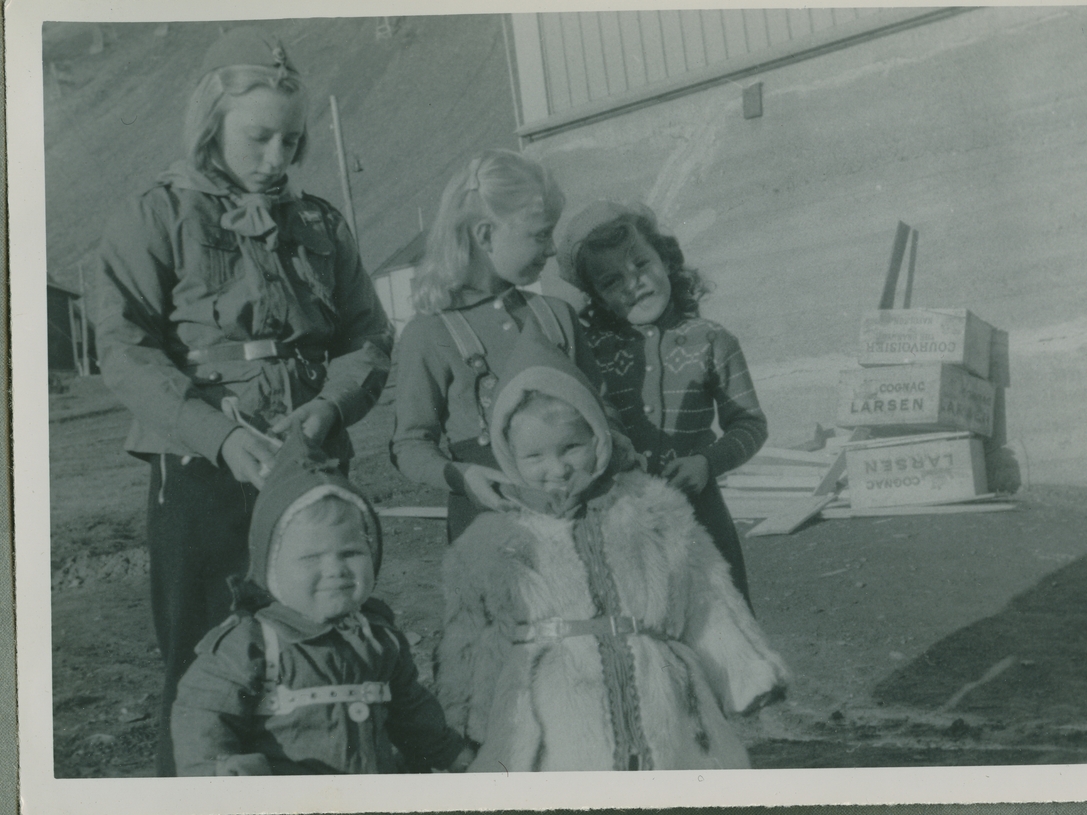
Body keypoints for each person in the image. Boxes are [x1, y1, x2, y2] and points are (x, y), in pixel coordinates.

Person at [88, 28, 393, 775]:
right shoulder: (154, 215)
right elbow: (123, 351)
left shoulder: (320, 222)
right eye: (259, 138)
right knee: (206, 663)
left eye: (291, 142)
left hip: (313, 462)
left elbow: (369, 338)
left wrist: (330, 407)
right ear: (211, 123)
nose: (277, 159)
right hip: (201, 469)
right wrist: (218, 437)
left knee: (325, 645)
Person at [436, 327, 788, 772]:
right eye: (535, 457)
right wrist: (464, 718)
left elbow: (704, 591)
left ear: (598, 438)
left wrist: (744, 670)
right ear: (509, 456)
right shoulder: (492, 539)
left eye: (571, 447)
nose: (557, 469)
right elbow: (472, 632)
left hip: (661, 697)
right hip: (552, 710)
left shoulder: (650, 507)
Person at [172, 431, 475, 775]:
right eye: (311, 559)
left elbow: (411, 712)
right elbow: (201, 715)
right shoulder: (252, 644)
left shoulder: (378, 637)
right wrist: (218, 770)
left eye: (351, 553)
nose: (335, 570)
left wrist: (451, 754)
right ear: (271, 569)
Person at [390, 149, 619, 543]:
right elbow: (409, 444)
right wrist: (462, 477)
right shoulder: (428, 334)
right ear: (485, 235)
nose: (551, 249)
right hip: (489, 524)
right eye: (540, 234)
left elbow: (603, 409)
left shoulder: (558, 316)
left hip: (581, 518)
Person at [556, 201, 768, 608]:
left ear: (666, 259)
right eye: (611, 281)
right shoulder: (590, 355)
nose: (633, 283)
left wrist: (707, 463)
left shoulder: (712, 340)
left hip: (701, 512)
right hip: (623, 519)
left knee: (727, 616)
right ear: (597, 298)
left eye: (640, 264)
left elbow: (751, 424)